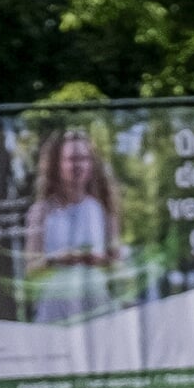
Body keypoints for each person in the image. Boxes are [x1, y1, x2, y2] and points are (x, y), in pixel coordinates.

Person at [25, 128, 123, 323]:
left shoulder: (104, 209)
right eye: (71, 159)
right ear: (58, 164)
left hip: (96, 303)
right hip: (55, 306)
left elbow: (117, 264)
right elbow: (30, 269)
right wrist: (58, 260)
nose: (78, 165)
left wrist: (97, 260)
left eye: (84, 159)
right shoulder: (41, 212)